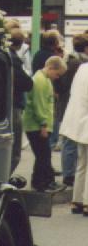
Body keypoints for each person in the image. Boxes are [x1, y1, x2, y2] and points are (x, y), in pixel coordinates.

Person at [23, 56, 67, 193]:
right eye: (57, 74)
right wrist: (43, 124)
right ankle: (45, 183)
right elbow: (39, 105)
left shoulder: (43, 79)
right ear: (51, 68)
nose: (57, 77)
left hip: (37, 124)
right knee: (44, 155)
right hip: (37, 125)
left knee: (42, 155)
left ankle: (39, 181)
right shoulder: (41, 81)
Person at [53, 33, 88, 187]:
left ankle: (69, 175)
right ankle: (69, 174)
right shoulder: (80, 64)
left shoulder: (70, 61)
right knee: (72, 145)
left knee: (70, 143)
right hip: (76, 109)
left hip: (68, 106)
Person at [60, 61, 88, 216]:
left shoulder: (82, 68)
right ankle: (87, 203)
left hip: (77, 122)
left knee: (81, 163)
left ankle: (77, 200)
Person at [8, 34, 34, 173]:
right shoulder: (13, 59)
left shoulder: (6, 55)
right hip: (13, 104)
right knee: (14, 152)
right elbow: (27, 83)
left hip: (0, 105)